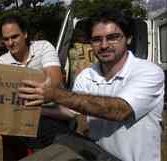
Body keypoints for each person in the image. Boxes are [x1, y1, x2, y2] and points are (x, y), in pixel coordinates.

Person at [18, 8, 165, 161]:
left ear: (128, 38)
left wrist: (54, 94)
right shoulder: (86, 76)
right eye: (96, 39)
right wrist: (34, 109)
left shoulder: (149, 71)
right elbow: (68, 111)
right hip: (97, 154)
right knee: (42, 125)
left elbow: (120, 111)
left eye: (113, 37)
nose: (104, 45)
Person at [0, 15, 70, 160]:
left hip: (51, 112)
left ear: (25, 34)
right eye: (6, 39)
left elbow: (54, 80)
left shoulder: (43, 47)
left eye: (15, 36)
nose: (10, 43)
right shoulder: (1, 62)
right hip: (18, 117)